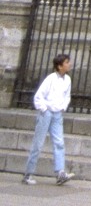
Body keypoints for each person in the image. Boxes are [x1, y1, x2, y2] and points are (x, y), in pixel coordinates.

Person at [22, 52, 74, 186]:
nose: (69, 64)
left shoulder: (67, 80)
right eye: (67, 62)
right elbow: (39, 96)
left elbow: (67, 96)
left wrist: (63, 107)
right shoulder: (51, 78)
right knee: (38, 143)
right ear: (59, 65)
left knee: (59, 142)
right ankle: (28, 173)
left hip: (57, 113)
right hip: (47, 112)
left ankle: (60, 172)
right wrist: (44, 109)